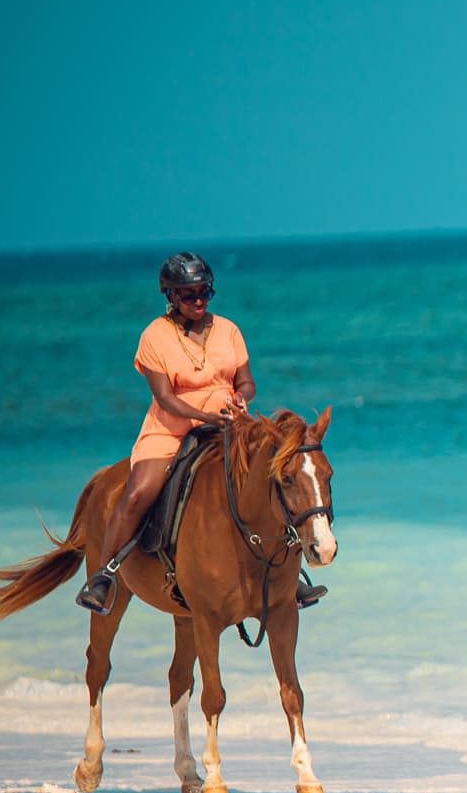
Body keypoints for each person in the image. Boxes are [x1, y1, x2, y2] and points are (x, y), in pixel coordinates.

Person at [76, 254, 325, 613]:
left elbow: (247, 381)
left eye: (204, 292)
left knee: (271, 478)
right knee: (138, 492)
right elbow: (164, 398)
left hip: (229, 425)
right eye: (188, 294)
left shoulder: (229, 330)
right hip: (171, 429)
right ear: (171, 295)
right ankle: (104, 575)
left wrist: (241, 397)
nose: (198, 301)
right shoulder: (154, 337)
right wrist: (203, 415)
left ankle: (292, 573)